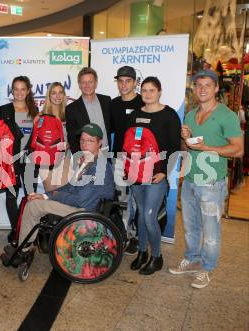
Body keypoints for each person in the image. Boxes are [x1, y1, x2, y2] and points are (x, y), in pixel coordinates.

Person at [169, 69, 243, 288]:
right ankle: (192, 259)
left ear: (216, 88)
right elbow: (187, 148)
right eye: (198, 85)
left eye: (207, 85)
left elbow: (238, 150)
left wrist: (207, 147)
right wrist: (185, 139)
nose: (202, 89)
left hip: (211, 183)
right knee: (191, 227)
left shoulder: (227, 115)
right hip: (190, 179)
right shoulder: (190, 115)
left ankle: (207, 268)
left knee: (211, 230)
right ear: (193, 89)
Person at [1, 123, 115, 262]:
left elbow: (80, 200)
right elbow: (69, 187)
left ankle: (23, 250)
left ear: (99, 143)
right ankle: (24, 245)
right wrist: (45, 195)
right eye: (82, 140)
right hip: (80, 206)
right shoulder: (87, 162)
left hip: (86, 211)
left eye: (90, 141)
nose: (84, 144)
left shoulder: (99, 167)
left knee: (34, 206)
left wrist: (54, 196)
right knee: (34, 200)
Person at [126, 76, 181, 275]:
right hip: (136, 174)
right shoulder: (135, 115)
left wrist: (164, 173)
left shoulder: (169, 115)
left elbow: (175, 148)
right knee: (141, 215)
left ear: (159, 92)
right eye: (145, 90)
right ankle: (142, 252)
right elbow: (129, 144)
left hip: (156, 176)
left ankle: (156, 256)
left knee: (149, 217)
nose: (148, 94)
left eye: (152, 90)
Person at [0, 76, 38, 236]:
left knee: (30, 196)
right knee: (11, 196)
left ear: (28, 91)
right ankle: (16, 230)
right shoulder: (4, 110)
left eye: (23, 89)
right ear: (12, 90)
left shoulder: (34, 111)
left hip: (29, 160)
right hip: (10, 160)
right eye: (16, 89)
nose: (19, 93)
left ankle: (26, 229)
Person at [110, 66, 144, 255]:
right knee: (122, 200)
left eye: (128, 81)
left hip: (140, 161)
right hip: (119, 159)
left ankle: (138, 237)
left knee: (139, 199)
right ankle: (124, 234)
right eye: (120, 81)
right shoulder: (113, 104)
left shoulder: (143, 102)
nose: (123, 85)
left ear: (135, 83)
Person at [65, 67, 111, 153]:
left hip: (107, 153)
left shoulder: (106, 101)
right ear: (79, 85)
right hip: (86, 156)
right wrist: (79, 156)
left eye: (90, 82)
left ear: (96, 83)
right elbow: (72, 137)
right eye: (83, 82)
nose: (87, 86)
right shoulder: (71, 109)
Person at [41, 82, 71, 191]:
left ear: (64, 95)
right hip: (47, 162)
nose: (57, 96)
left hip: (65, 159)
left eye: (60, 92)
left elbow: (74, 137)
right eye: (54, 93)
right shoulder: (41, 116)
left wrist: (68, 145)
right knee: (51, 194)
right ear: (49, 96)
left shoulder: (69, 114)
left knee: (64, 195)